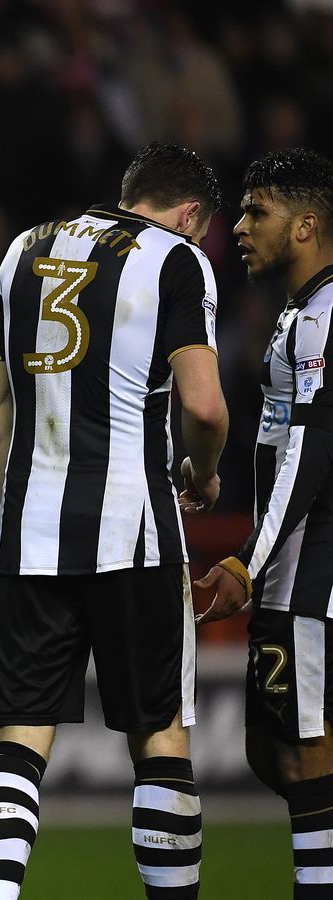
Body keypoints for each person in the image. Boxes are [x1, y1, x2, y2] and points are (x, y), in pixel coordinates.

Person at [0, 142, 229, 900]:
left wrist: (14, 517)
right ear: (190, 214)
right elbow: (205, 406)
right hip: (134, 531)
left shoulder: (23, 249)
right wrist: (204, 472)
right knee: (159, 734)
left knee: (18, 737)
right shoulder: (178, 260)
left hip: (30, 532)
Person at [199, 147, 333, 899]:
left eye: (259, 212)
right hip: (291, 570)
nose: (241, 227)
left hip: (315, 573)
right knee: (270, 749)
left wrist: (250, 558)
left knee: (304, 755)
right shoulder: (297, 312)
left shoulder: (325, 318)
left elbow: (314, 449)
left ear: (306, 224)